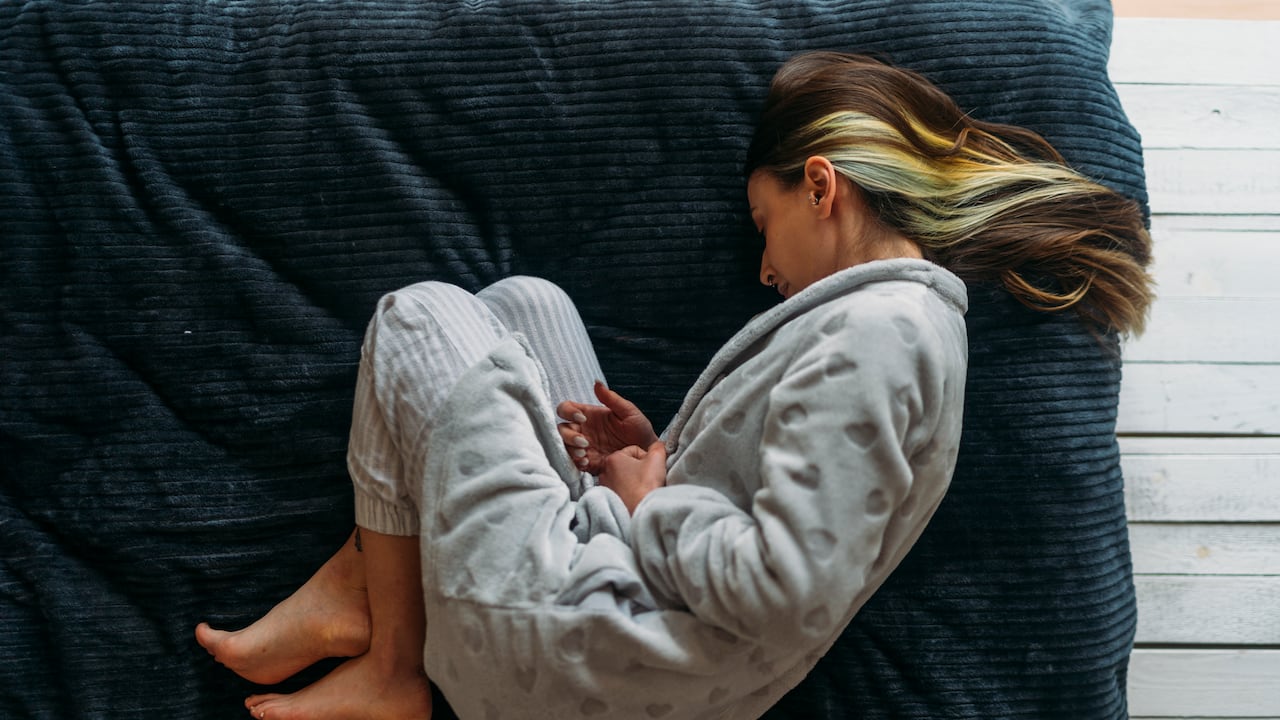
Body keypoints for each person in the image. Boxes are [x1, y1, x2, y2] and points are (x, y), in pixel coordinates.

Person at [194, 51, 1152, 720]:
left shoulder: (880, 337)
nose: (766, 269)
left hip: (576, 654)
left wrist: (652, 496)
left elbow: (782, 588)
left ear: (822, 187)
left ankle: (394, 659)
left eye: (763, 223)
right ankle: (373, 582)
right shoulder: (895, 329)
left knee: (418, 319)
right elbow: (790, 508)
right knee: (527, 307)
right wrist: (655, 457)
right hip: (629, 632)